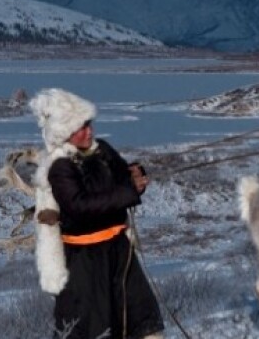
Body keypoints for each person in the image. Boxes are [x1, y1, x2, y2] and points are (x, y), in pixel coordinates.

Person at [29, 88, 164, 339]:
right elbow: (79, 207)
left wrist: (135, 175)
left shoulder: (102, 149)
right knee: (91, 326)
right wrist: (128, 191)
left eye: (88, 124)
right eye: (80, 127)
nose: (88, 131)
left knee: (137, 318)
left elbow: (122, 177)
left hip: (118, 251)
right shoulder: (60, 168)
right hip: (85, 261)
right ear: (64, 132)